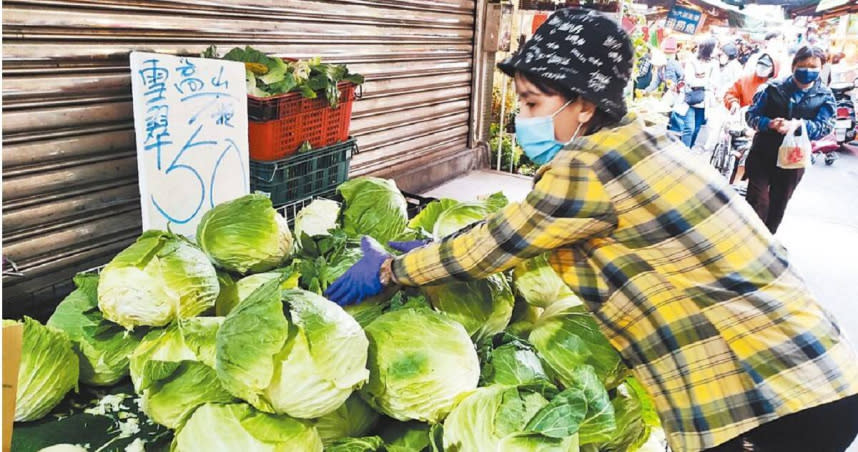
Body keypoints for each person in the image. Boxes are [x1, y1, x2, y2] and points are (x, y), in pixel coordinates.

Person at [326, 10, 858, 452]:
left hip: (765, 400)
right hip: (812, 379)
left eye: (533, 103)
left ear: (583, 104)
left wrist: (395, 270)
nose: (522, 118)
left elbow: (504, 241)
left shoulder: (588, 167)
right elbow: (544, 234)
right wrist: (441, 250)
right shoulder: (643, 144)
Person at [745, 45, 836, 234]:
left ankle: (767, 241)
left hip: (793, 159)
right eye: (803, 65)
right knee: (758, 199)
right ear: (793, 65)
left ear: (821, 68)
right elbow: (751, 116)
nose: (807, 71)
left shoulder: (825, 96)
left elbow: (826, 127)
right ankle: (748, 238)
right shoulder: (772, 88)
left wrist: (800, 126)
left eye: (813, 67)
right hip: (763, 153)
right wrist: (770, 124)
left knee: (779, 203)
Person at [681, 38, 719, 148]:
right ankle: (683, 152)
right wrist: (705, 81)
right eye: (715, 47)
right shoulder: (692, 60)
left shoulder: (714, 63)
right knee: (689, 128)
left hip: (704, 101)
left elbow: (715, 82)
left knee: (697, 128)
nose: (717, 50)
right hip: (691, 99)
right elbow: (690, 81)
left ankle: (689, 150)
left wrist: (699, 78)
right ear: (709, 49)